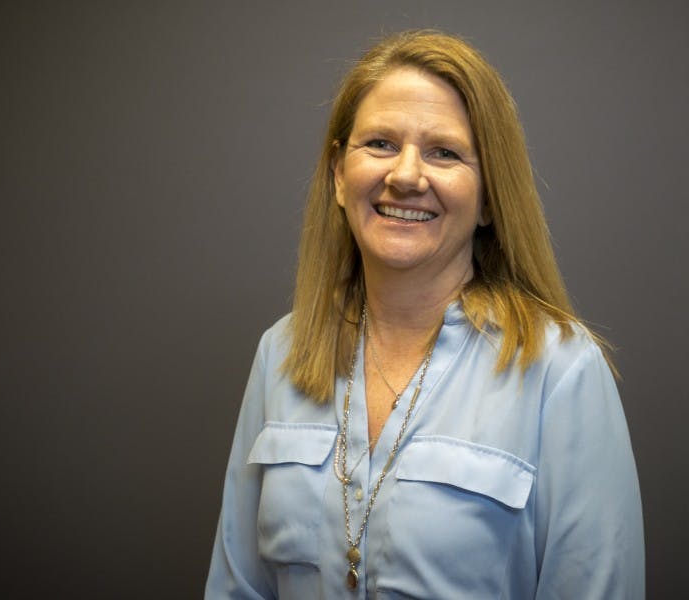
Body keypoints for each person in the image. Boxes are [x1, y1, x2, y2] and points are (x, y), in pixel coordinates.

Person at [205, 30, 644, 599]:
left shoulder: (561, 371)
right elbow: (237, 588)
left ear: (489, 196)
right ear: (339, 174)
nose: (407, 175)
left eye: (444, 152)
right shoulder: (281, 354)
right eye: (381, 144)